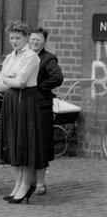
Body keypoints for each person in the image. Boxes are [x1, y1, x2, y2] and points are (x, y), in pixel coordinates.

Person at [0, 21, 43, 204]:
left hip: (26, 100)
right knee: (13, 141)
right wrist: (9, 79)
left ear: (26, 38)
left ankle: (26, 184)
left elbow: (21, 81)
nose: (14, 41)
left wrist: (7, 78)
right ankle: (17, 184)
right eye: (12, 37)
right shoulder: (10, 56)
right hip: (10, 101)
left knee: (25, 141)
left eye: (18, 38)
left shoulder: (30, 56)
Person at [29, 27, 63, 195]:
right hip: (27, 106)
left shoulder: (48, 58)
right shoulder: (24, 56)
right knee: (29, 143)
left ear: (44, 41)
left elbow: (57, 77)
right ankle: (30, 181)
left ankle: (40, 183)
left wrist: (40, 87)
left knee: (40, 143)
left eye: (39, 40)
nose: (35, 42)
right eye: (33, 39)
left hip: (41, 106)